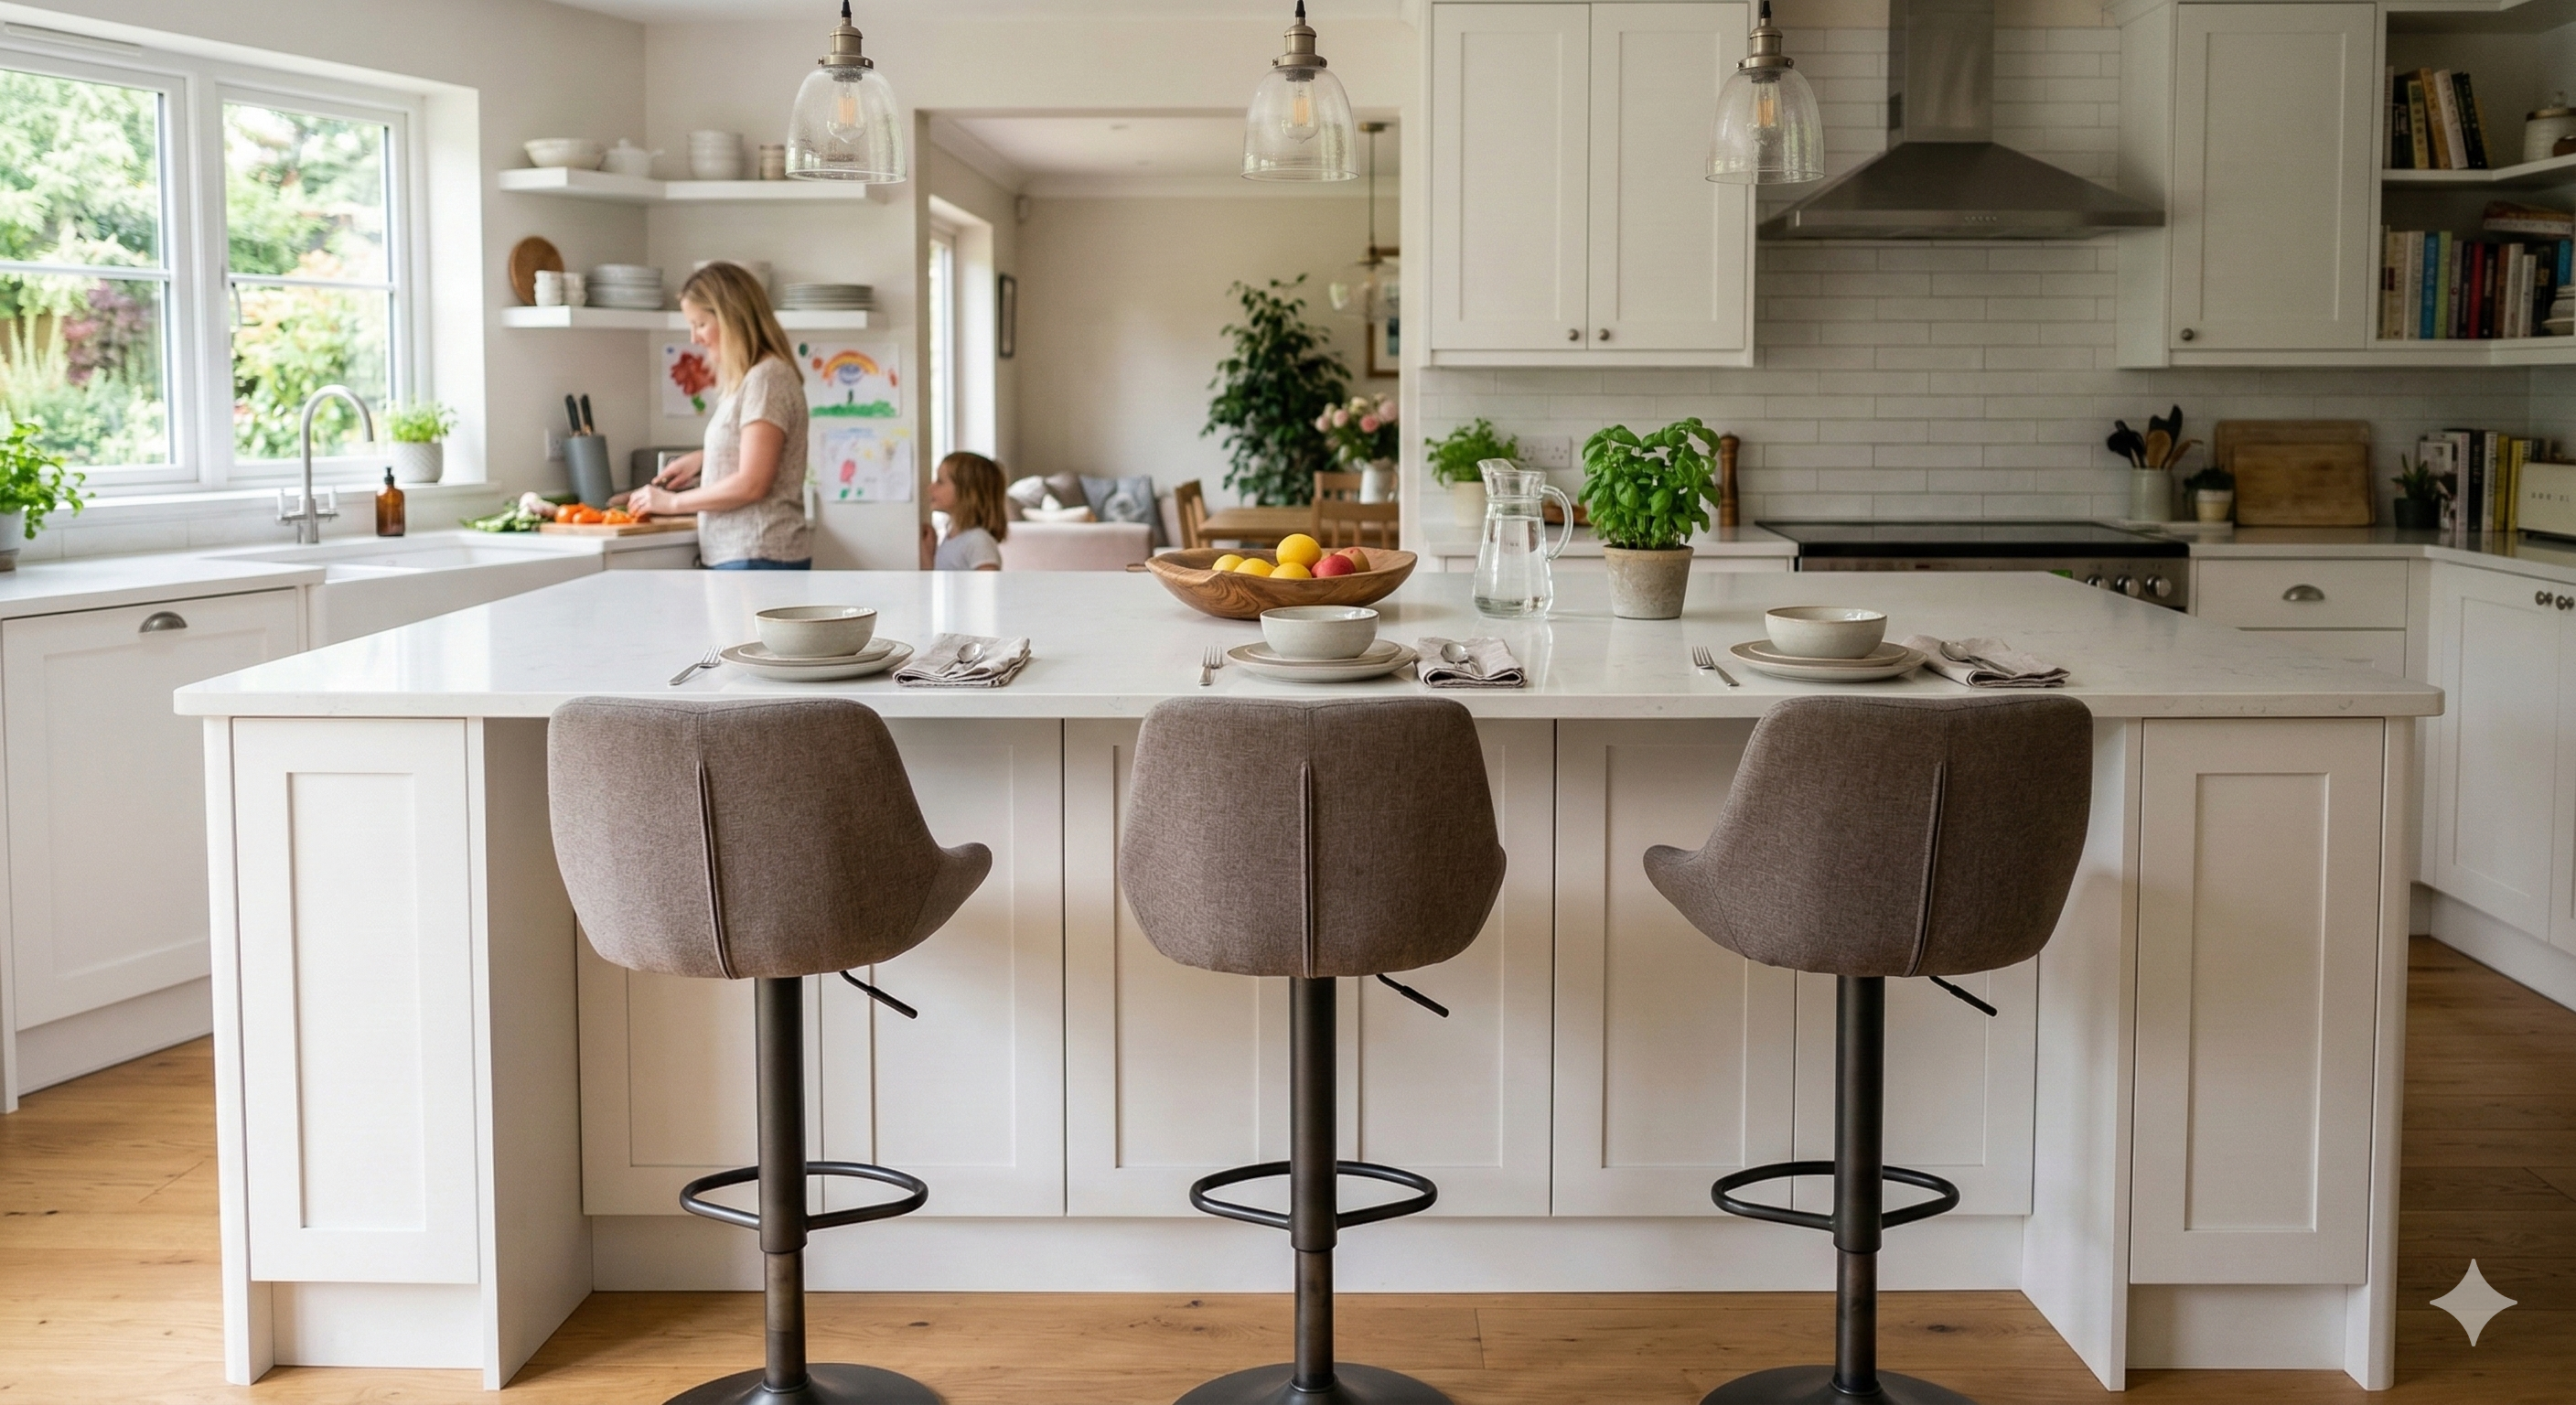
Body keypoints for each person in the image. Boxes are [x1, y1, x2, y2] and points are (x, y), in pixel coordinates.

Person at [627, 263, 810, 569]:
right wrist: (704, 458)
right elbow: (755, 450)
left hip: (757, 553)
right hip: (748, 555)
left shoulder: (766, 379)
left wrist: (671, 502)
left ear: (731, 319)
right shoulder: (755, 377)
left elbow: (752, 483)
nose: (694, 338)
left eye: (700, 324)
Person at [920, 451, 1007, 571]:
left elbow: (988, 582)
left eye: (940, 481)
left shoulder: (978, 541)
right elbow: (940, 577)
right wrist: (928, 553)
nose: (931, 488)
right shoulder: (953, 538)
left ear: (967, 493)